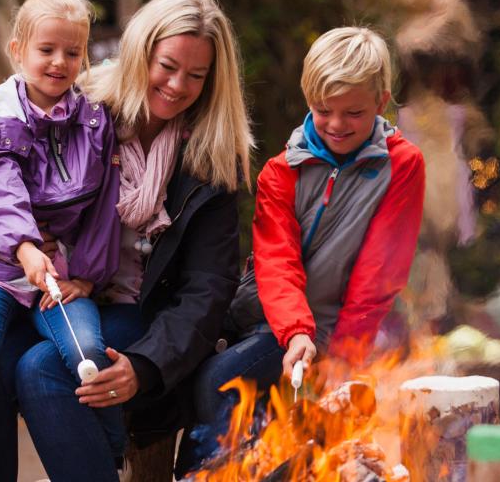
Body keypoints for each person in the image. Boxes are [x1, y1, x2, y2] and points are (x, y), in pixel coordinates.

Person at [0, 0, 253, 480]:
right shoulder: (83, 106)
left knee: (42, 369)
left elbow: (208, 289)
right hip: (51, 291)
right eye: (166, 65)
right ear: (142, 52)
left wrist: (145, 365)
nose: (176, 85)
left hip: (138, 310)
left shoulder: (211, 157)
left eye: (196, 75)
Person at [179, 26, 426, 472]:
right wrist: (295, 333)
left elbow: (379, 273)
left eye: (353, 113)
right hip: (280, 323)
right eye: (322, 110)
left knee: (222, 382)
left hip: (345, 331)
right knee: (214, 384)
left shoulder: (402, 165)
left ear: (382, 101)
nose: (335, 125)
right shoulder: (280, 172)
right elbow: (277, 262)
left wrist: (344, 356)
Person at [0, 0, 125, 474]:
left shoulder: (95, 121)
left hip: (59, 276)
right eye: (47, 50)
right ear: (17, 50)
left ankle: (112, 453)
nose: (60, 62)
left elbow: (104, 207)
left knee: (85, 350)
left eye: (72, 52)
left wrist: (86, 277)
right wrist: (22, 246)